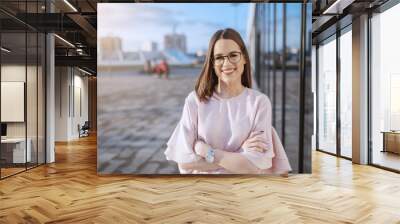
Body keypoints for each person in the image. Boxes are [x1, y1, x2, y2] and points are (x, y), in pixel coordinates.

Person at [164, 28, 291, 175]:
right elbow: (185, 163)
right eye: (219, 57)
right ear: (212, 63)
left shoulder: (259, 102)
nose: (226, 63)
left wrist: (205, 151)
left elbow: (255, 165)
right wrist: (240, 154)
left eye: (233, 55)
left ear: (244, 57)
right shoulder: (195, 101)